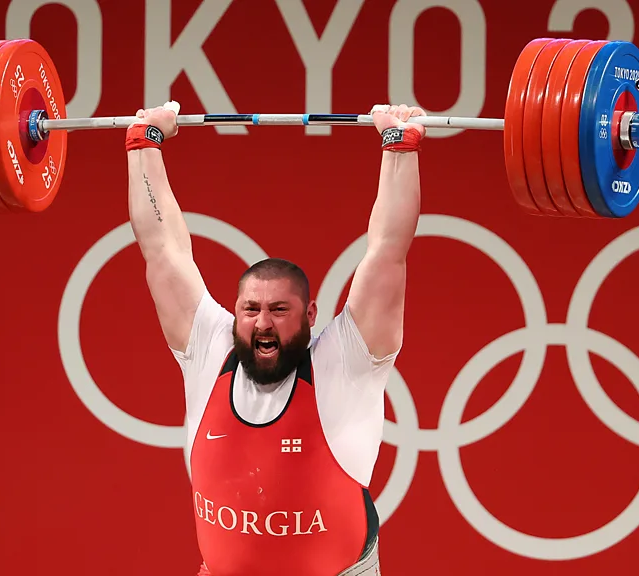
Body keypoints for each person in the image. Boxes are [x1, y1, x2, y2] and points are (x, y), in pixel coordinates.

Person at [125, 101, 426, 576]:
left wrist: (398, 146)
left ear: (310, 315)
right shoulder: (209, 349)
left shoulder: (345, 363)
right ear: (236, 312)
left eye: (279, 310)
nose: (263, 323)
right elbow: (161, 248)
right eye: (251, 309)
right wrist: (144, 143)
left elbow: (388, 250)